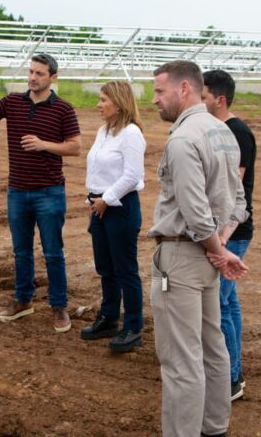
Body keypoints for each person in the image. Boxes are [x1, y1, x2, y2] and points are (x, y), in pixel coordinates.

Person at [148, 60, 248, 437]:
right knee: (212, 348)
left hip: (183, 258)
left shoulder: (183, 139)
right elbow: (238, 203)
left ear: (184, 89)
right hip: (206, 258)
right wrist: (221, 244)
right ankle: (214, 428)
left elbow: (194, 212)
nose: (155, 99)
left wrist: (216, 246)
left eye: (160, 91)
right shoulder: (222, 133)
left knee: (180, 361)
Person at [0, 53, 81, 333]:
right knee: (21, 251)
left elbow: (75, 147)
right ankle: (23, 300)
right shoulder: (13, 101)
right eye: (31, 72)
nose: (32, 77)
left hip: (49, 192)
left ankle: (59, 306)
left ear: (53, 78)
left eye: (39, 73)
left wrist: (44, 144)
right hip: (17, 190)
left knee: (53, 252)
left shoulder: (63, 109)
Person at [203, 69, 257, 402]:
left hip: (231, 232)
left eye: (205, 96)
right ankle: (233, 370)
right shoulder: (221, 131)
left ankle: (231, 379)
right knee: (228, 302)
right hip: (229, 231)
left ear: (219, 100)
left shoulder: (237, 134)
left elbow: (232, 190)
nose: (200, 101)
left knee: (218, 307)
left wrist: (221, 237)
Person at [81, 81, 146, 353]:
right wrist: (94, 198)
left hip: (119, 207)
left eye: (103, 100)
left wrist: (106, 199)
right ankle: (109, 317)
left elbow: (132, 176)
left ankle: (133, 326)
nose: (99, 105)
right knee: (106, 268)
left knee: (125, 269)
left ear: (118, 103)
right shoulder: (104, 131)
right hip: (100, 207)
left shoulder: (131, 134)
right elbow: (96, 167)